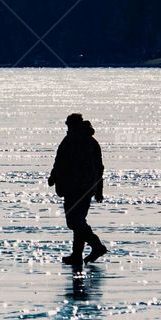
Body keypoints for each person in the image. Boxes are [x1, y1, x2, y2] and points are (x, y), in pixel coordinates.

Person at [48, 113, 108, 265]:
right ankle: (77, 255)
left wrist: (99, 189)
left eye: (69, 125)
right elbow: (60, 161)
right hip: (76, 187)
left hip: (80, 188)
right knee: (77, 221)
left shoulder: (83, 142)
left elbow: (98, 168)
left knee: (74, 221)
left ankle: (96, 246)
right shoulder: (78, 140)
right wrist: (53, 176)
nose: (67, 128)